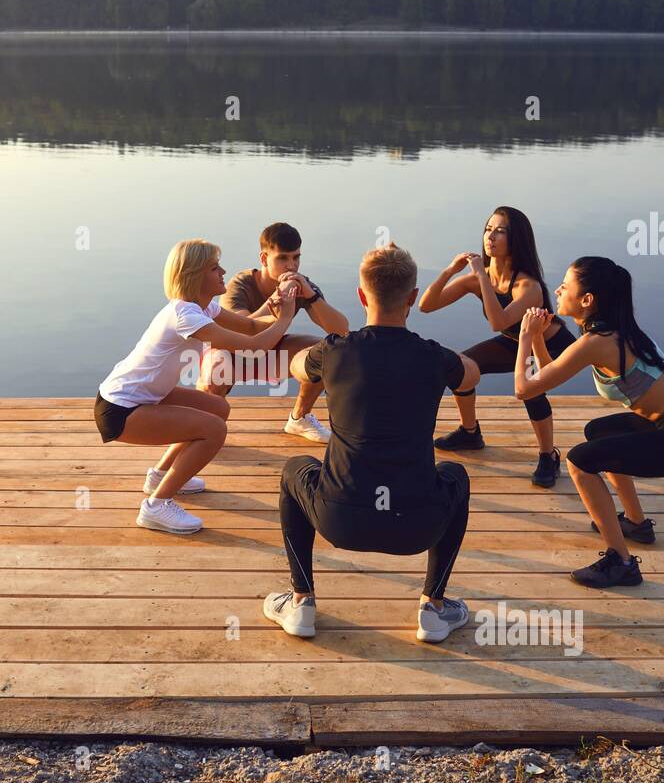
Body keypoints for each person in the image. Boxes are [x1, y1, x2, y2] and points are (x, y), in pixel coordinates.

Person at [263, 243, 481, 643]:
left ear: (362, 295)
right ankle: (433, 607)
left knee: (295, 468)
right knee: (456, 474)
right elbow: (471, 377)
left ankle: (301, 601)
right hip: (416, 525)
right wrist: (448, 361)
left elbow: (298, 368)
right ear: (413, 298)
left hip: (340, 520)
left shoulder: (334, 350)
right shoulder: (433, 356)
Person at [513, 256, 664, 587]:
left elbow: (524, 388)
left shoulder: (597, 342)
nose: (556, 290)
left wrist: (525, 336)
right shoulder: (611, 332)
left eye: (565, 285)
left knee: (580, 461)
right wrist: (540, 338)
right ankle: (635, 523)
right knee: (598, 434)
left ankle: (622, 562)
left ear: (587, 300)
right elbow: (549, 375)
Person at [95, 238, 297, 534]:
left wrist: (274, 306)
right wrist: (288, 316)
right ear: (195, 276)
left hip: (145, 396)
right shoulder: (185, 316)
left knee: (217, 407)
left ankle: (160, 474)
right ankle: (156, 506)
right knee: (213, 430)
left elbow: (252, 326)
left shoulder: (203, 308)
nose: (223, 271)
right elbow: (255, 346)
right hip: (120, 409)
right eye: (215, 268)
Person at [418, 206, 573, 487]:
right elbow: (426, 306)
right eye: (488, 229)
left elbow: (497, 321)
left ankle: (548, 456)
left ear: (517, 239)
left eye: (500, 231)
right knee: (459, 368)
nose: (491, 236)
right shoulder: (482, 276)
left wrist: (480, 278)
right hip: (514, 340)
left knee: (531, 389)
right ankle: (470, 433)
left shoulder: (528, 285)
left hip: (549, 345)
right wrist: (449, 271)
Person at [199, 222, 349, 443]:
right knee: (216, 366)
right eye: (282, 258)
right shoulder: (240, 284)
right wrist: (275, 303)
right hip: (232, 354)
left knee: (328, 352)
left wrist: (311, 296)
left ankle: (299, 419)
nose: (291, 266)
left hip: (270, 353)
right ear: (264, 258)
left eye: (296, 257)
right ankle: (203, 426)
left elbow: (341, 331)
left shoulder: (303, 285)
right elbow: (241, 329)